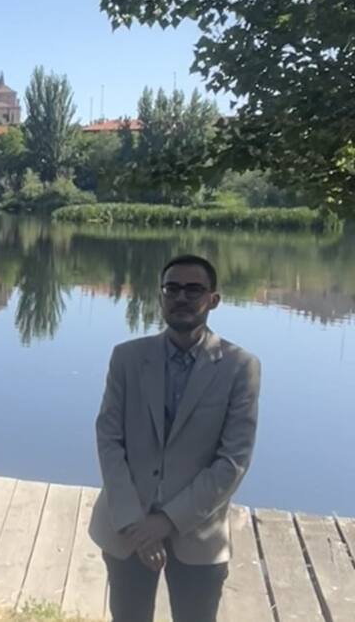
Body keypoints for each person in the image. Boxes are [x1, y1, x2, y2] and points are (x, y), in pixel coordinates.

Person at [90, 254, 260, 622]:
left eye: (194, 289)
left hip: (198, 534)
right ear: (161, 295)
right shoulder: (127, 358)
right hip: (125, 528)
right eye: (173, 288)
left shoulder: (239, 367)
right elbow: (108, 439)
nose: (181, 297)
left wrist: (165, 521)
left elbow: (233, 460)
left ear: (213, 299)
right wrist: (135, 523)